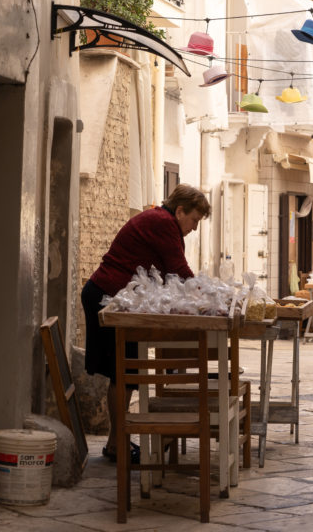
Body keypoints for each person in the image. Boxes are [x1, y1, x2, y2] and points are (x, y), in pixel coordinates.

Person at [81, 183, 210, 463]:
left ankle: (117, 443)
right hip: (107, 298)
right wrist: (211, 297)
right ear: (180, 211)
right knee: (122, 372)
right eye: (195, 220)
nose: (195, 228)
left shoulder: (161, 220)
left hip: (115, 299)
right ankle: (118, 444)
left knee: (124, 373)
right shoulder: (162, 222)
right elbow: (178, 268)